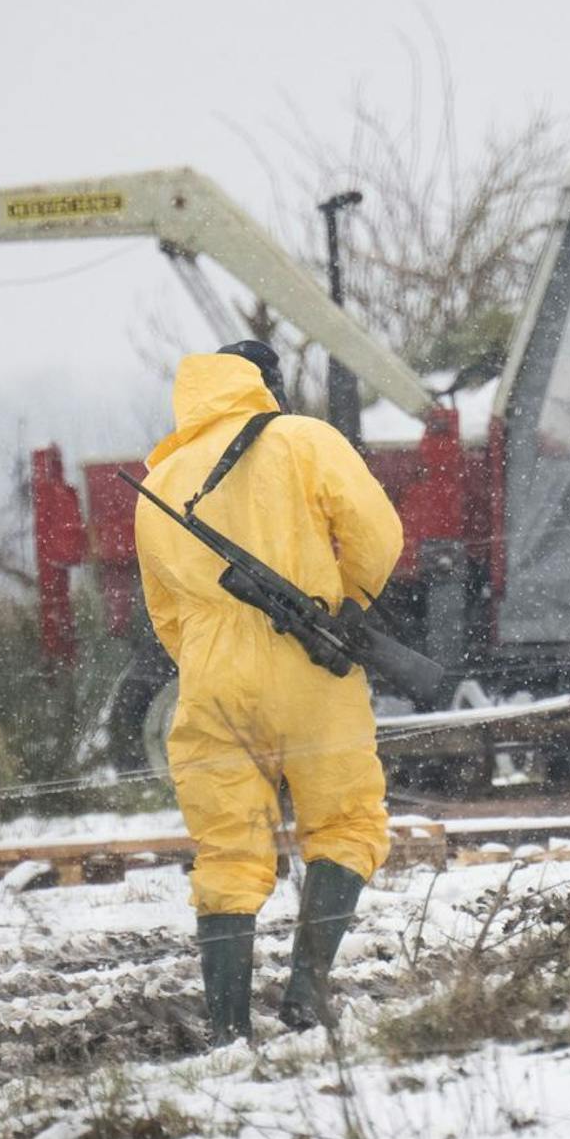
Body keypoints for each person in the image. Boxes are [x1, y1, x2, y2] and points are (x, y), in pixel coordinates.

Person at [134, 340, 404, 1045]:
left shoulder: (160, 478)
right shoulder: (303, 439)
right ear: (267, 385)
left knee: (228, 849)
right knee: (345, 824)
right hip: (310, 664)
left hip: (212, 679)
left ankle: (227, 1028)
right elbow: (377, 535)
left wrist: (212, 661)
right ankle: (308, 994)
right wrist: (348, 607)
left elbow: (165, 613)